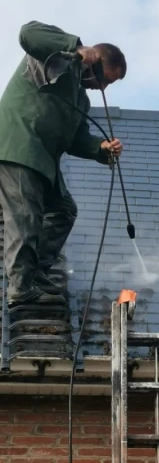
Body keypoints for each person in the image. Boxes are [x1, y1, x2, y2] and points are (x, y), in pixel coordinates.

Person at [0, 20, 126, 308]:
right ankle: (20, 288)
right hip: (19, 149)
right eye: (105, 79)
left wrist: (100, 148)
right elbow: (28, 32)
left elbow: (77, 140)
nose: (103, 87)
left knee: (64, 210)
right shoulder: (55, 59)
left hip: (44, 163)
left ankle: (36, 272)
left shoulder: (81, 101)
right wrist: (76, 47)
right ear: (96, 60)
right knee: (25, 217)